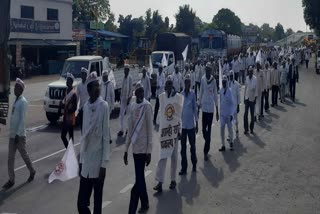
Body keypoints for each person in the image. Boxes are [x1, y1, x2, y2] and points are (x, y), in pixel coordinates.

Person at [77, 72, 110, 214]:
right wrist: (81, 161)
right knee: (81, 204)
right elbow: (84, 135)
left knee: (97, 203)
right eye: (94, 86)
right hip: (86, 164)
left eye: (98, 85)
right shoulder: (85, 107)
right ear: (89, 90)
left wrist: (103, 165)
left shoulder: (104, 106)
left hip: (98, 163)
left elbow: (105, 137)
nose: (98, 88)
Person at [124, 82, 153, 214]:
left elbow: (150, 131)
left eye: (142, 91)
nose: (140, 94)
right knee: (139, 178)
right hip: (135, 149)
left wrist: (149, 151)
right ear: (135, 94)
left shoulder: (147, 107)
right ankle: (145, 203)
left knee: (139, 179)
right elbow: (130, 130)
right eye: (138, 92)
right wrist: (125, 150)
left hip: (144, 149)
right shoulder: (132, 107)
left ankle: (132, 208)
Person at [2, 79, 36, 190]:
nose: (15, 89)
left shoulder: (23, 102)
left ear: (21, 89)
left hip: (19, 136)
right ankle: (11, 180)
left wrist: (17, 134)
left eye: (17, 88)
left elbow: (22, 120)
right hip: (12, 135)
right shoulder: (16, 100)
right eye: (15, 87)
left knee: (24, 155)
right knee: (10, 158)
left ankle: (32, 170)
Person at [154, 76, 183, 193]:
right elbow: (159, 113)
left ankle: (173, 180)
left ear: (172, 86)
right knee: (162, 157)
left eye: (169, 85)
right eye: (166, 85)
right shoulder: (161, 97)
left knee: (174, 157)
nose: (167, 87)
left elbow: (179, 115)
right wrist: (156, 123)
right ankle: (160, 182)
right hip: (165, 132)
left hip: (174, 132)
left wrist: (179, 129)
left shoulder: (178, 98)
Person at [198, 63, 219, 161]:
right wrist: (199, 103)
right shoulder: (202, 79)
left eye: (209, 70)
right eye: (206, 70)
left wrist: (217, 108)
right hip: (204, 108)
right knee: (203, 130)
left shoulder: (214, 80)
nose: (207, 71)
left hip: (210, 109)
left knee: (209, 130)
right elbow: (201, 91)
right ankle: (208, 141)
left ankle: (206, 151)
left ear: (211, 71)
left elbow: (215, 94)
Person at [179, 74, 198, 175]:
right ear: (184, 83)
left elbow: (195, 109)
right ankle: (184, 168)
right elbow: (178, 112)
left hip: (191, 125)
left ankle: (194, 164)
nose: (188, 84)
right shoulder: (180, 95)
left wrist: (197, 122)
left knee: (192, 147)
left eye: (189, 82)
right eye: (186, 82)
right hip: (183, 126)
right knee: (183, 149)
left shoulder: (193, 94)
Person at [59, 73, 77, 148]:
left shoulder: (73, 93)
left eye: (68, 80)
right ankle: (69, 151)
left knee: (69, 137)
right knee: (64, 136)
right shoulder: (66, 91)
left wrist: (69, 110)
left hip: (70, 118)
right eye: (66, 80)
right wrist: (61, 105)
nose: (67, 81)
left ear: (71, 82)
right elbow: (64, 102)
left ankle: (70, 153)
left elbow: (75, 107)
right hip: (66, 117)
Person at [219, 76, 234, 151]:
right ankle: (223, 145)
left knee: (230, 129)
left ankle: (231, 141)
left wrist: (231, 114)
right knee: (221, 129)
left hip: (228, 114)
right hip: (222, 114)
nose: (223, 84)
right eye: (222, 82)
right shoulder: (221, 90)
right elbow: (220, 102)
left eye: (225, 82)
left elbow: (232, 103)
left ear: (227, 82)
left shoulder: (230, 91)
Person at [118, 65, 133, 137]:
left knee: (128, 115)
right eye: (124, 70)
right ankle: (121, 129)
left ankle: (128, 129)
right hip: (123, 99)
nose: (125, 71)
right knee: (121, 115)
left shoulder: (130, 78)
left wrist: (129, 100)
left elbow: (131, 90)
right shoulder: (124, 78)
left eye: (126, 70)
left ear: (128, 70)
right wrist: (121, 98)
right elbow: (122, 88)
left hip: (128, 99)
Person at [244, 66, 257, 135]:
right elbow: (245, 88)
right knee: (245, 115)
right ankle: (246, 129)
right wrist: (244, 97)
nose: (250, 72)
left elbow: (256, 90)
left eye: (251, 71)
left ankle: (251, 128)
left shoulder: (255, 79)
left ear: (252, 72)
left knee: (252, 115)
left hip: (252, 99)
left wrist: (255, 98)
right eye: (249, 71)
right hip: (247, 98)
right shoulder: (246, 78)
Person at [229, 71, 241, 137]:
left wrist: (238, 105)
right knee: (229, 120)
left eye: (231, 76)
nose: (230, 77)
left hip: (235, 104)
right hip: (229, 105)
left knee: (235, 119)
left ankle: (236, 129)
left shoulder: (236, 84)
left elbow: (238, 95)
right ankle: (229, 134)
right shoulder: (228, 83)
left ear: (233, 76)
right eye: (230, 76)